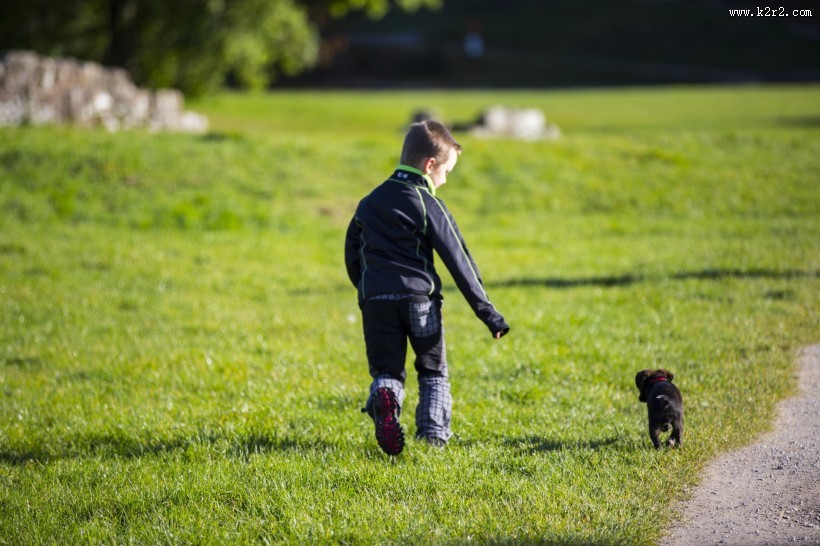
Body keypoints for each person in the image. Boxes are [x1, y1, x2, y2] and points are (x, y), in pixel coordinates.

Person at [344, 120, 510, 455]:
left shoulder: (369, 202)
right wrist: (488, 314)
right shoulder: (428, 204)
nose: (445, 180)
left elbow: (352, 253)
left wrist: (367, 289)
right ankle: (433, 437)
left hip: (376, 302)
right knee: (433, 371)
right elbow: (459, 261)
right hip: (420, 301)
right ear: (429, 164)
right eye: (446, 171)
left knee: (387, 371)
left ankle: (385, 399)